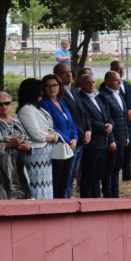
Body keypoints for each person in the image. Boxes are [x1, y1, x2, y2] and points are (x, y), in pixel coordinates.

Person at [0, 91, 31, 199]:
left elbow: (28, 141)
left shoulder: (16, 120)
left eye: (7, 103)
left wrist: (26, 147)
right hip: (2, 169)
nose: (4, 106)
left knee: (24, 200)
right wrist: (8, 145)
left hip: (20, 168)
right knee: (4, 199)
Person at [16, 78, 59, 199]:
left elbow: (48, 126)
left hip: (46, 154)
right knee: (37, 188)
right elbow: (36, 134)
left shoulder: (38, 108)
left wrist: (52, 134)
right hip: (36, 154)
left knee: (47, 187)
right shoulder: (26, 110)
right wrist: (52, 137)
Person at [76, 72, 115, 199]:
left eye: (93, 82)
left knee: (97, 177)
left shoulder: (96, 97)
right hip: (92, 144)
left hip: (102, 144)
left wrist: (110, 125)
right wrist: (104, 127)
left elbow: (106, 115)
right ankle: (87, 202)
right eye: (88, 82)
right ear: (81, 84)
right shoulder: (80, 99)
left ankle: (96, 201)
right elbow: (87, 119)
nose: (91, 84)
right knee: (89, 177)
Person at [39, 74, 78, 199]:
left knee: (67, 180)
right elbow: (50, 127)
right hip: (58, 147)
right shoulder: (44, 104)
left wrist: (75, 138)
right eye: (48, 86)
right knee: (58, 182)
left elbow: (71, 123)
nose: (52, 88)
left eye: (55, 85)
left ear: (59, 86)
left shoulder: (61, 102)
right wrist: (67, 140)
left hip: (69, 146)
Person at [53, 63, 86, 197]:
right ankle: (65, 200)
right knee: (66, 177)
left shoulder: (73, 91)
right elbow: (69, 119)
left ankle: (69, 198)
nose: (69, 75)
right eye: (64, 73)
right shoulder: (60, 95)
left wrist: (87, 131)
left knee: (72, 176)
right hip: (69, 141)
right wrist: (79, 135)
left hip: (78, 140)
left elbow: (82, 113)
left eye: (70, 72)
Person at [97, 70, 130, 198]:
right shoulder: (104, 96)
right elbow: (107, 119)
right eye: (116, 80)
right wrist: (111, 140)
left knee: (117, 167)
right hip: (113, 139)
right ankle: (109, 194)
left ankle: (115, 193)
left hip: (122, 137)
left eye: (119, 80)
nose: (119, 82)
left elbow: (122, 116)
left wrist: (126, 136)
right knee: (109, 169)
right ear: (107, 81)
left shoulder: (118, 95)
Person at [112, 60, 131, 181]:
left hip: (129, 123)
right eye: (119, 69)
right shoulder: (107, 86)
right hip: (118, 124)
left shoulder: (127, 85)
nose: (121, 71)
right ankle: (114, 174)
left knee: (128, 150)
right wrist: (124, 115)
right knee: (119, 151)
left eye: (123, 69)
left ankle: (127, 174)